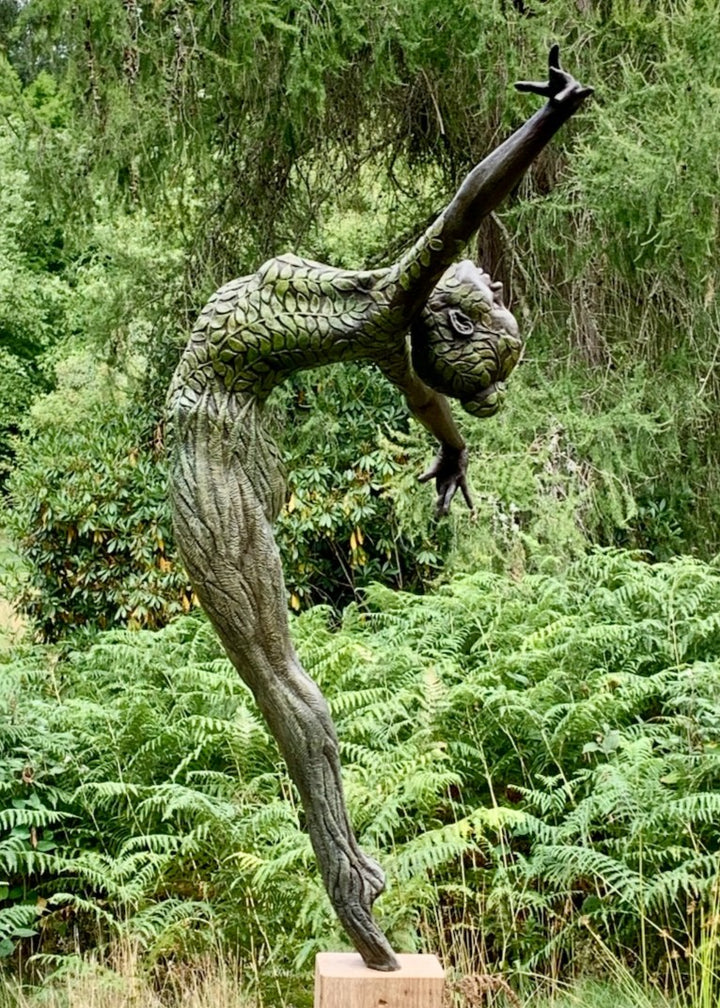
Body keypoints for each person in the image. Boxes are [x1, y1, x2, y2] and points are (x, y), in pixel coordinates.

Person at [167, 46, 592, 971]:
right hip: (217, 451)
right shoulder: (384, 316)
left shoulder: (393, 311)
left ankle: (347, 881)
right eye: (495, 300)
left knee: (282, 684)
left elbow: (466, 214)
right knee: (283, 683)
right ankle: (350, 878)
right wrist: (453, 445)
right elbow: (429, 377)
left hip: (216, 457)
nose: (492, 284)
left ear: (450, 316)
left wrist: (549, 121)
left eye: (492, 304)